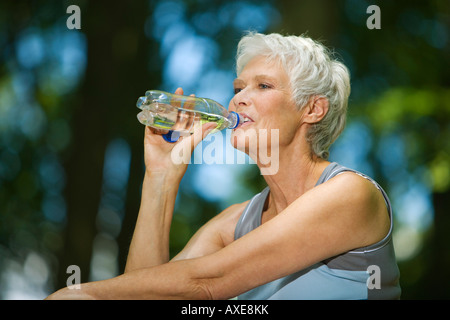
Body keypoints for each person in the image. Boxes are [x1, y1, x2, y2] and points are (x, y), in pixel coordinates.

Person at [46, 32, 401, 300]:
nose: (238, 97)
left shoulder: (352, 195)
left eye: (263, 85)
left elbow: (207, 282)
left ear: (313, 110)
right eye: (238, 86)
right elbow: (148, 295)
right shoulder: (234, 223)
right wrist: (161, 178)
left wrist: (85, 294)